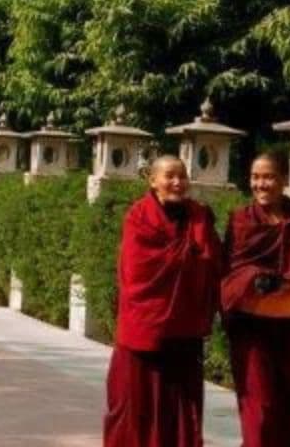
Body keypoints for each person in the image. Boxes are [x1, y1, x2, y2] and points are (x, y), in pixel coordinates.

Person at [103, 155, 224, 447]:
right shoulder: (139, 217)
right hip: (143, 331)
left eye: (182, 176)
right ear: (153, 181)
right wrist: (187, 261)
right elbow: (137, 272)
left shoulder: (199, 216)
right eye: (169, 176)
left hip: (184, 330)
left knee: (181, 410)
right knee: (134, 406)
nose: (177, 183)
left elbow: (215, 263)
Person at [221, 152, 290, 447]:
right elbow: (228, 273)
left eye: (268, 176)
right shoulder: (240, 221)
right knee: (259, 409)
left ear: (283, 179)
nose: (261, 184)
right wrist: (255, 277)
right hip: (252, 328)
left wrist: (286, 283)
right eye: (255, 177)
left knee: (287, 407)